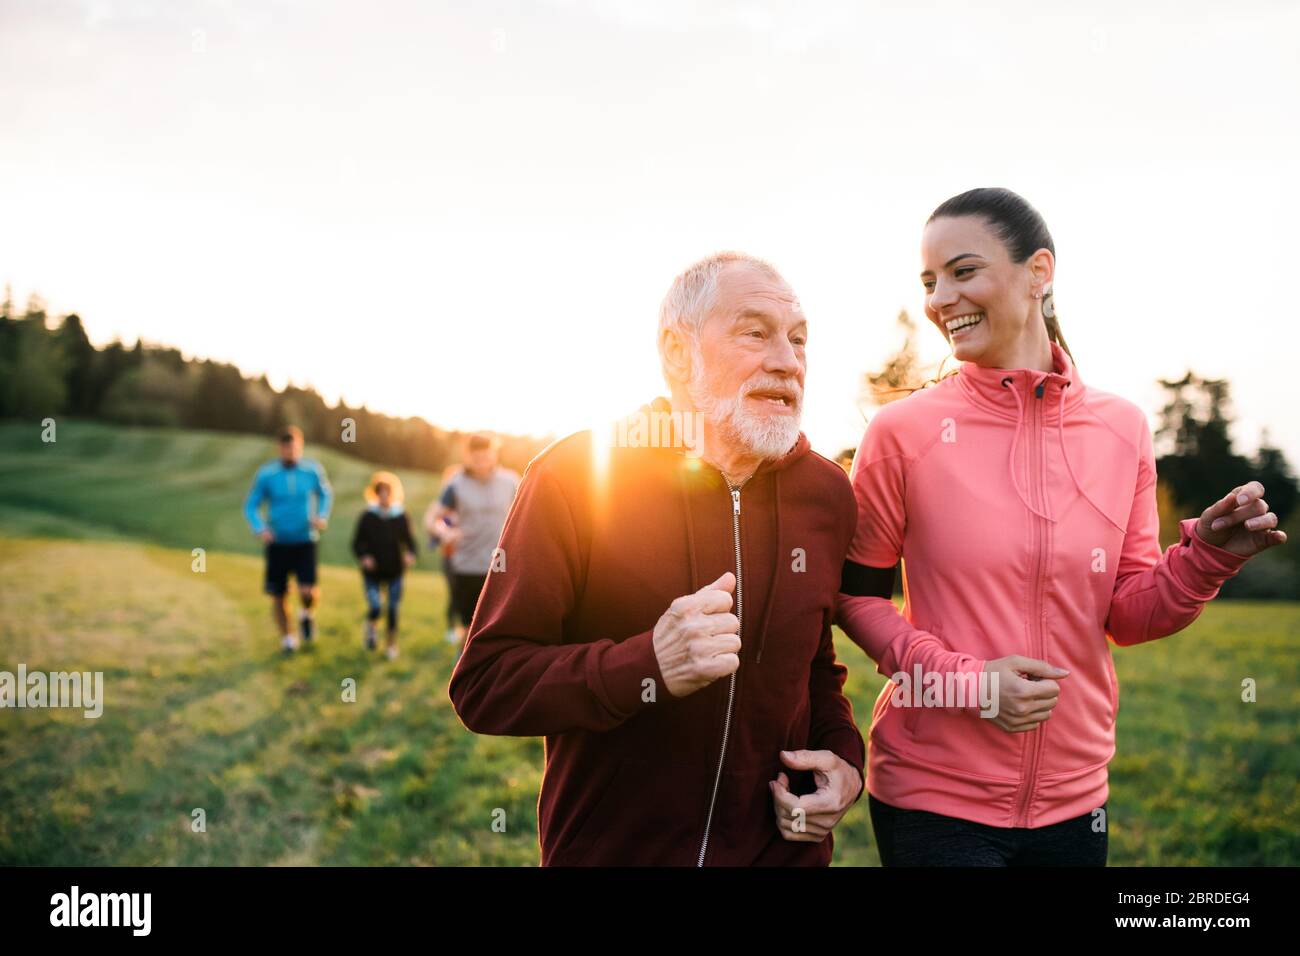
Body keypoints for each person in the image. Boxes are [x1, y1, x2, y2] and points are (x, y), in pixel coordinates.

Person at [835, 187, 1287, 866]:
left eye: (963, 272)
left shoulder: (1122, 428)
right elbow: (856, 597)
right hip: (935, 801)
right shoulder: (904, 432)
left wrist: (1206, 559)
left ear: (1039, 273)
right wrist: (970, 684)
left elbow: (1128, 614)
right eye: (929, 282)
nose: (939, 299)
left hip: (1078, 804)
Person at [449, 252, 866, 865]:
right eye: (755, 332)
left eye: (799, 340)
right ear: (678, 351)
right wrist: (646, 664)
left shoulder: (828, 495)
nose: (788, 360)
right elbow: (486, 684)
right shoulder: (575, 478)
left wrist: (844, 759)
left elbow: (814, 664)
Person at [242, 426, 333, 655]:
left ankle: (306, 614)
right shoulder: (267, 474)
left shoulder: (311, 471)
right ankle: (288, 639)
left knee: (307, 591)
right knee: (278, 594)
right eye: (286, 448)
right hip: (278, 542)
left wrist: (321, 516)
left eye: (294, 448)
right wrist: (260, 528)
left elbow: (325, 494)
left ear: (300, 447)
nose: (290, 452)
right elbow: (251, 505)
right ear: (279, 449)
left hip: (305, 540)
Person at [426, 435, 518, 649]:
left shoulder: (510, 481)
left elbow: (526, 513)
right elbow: (432, 519)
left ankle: (494, 676)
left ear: (494, 454)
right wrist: (444, 532)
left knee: (500, 628)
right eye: (476, 458)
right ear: (467, 457)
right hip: (467, 566)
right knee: (469, 629)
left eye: (486, 457)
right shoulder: (456, 485)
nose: (481, 462)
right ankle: (463, 670)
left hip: (501, 566)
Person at [351, 471, 417, 661]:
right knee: (375, 606)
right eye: (380, 492)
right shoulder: (368, 516)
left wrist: (410, 555)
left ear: (393, 493)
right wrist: (364, 557)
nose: (384, 496)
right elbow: (356, 543)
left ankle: (390, 645)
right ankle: (371, 628)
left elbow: (411, 542)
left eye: (387, 492)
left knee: (393, 609)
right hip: (372, 572)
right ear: (375, 493)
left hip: (395, 570)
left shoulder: (401, 516)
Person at [424, 463, 465, 643]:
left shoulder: (467, 504)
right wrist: (445, 533)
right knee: (454, 593)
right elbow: (434, 525)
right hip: (450, 556)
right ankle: (451, 628)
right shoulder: (442, 506)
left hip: (471, 557)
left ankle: (468, 629)